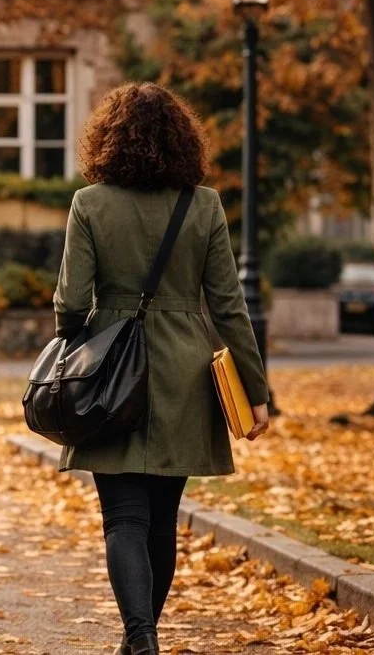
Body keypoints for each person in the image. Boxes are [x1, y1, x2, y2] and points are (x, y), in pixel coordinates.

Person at [52, 82, 271, 655]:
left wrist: (73, 342)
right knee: (161, 520)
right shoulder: (204, 205)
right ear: (183, 141)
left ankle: (139, 639)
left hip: (110, 369)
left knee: (122, 517)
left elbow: (71, 302)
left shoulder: (90, 204)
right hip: (184, 371)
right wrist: (255, 388)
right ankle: (142, 637)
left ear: (108, 139)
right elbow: (228, 305)